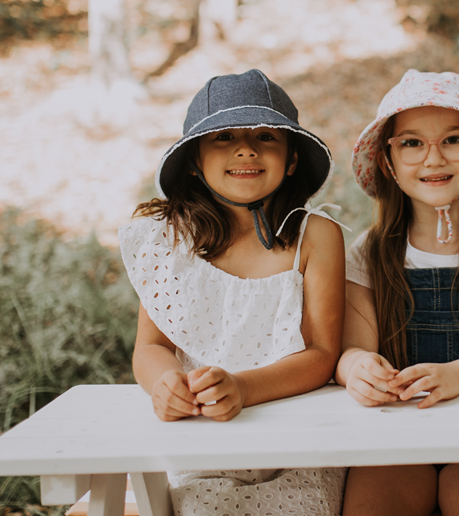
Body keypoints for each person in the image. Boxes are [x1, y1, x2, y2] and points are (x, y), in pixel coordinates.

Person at [119, 69, 347, 516]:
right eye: (223, 136)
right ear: (192, 159)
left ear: (292, 158)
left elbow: (322, 353)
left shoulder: (315, 235)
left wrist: (242, 387)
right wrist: (164, 383)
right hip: (199, 437)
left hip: (296, 440)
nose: (246, 148)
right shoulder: (167, 239)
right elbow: (151, 346)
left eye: (266, 136)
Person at [335, 70, 459, 516]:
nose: (433, 159)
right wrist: (357, 369)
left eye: (452, 140)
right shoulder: (367, 254)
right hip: (397, 432)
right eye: (411, 143)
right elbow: (351, 349)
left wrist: (457, 376)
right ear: (388, 162)